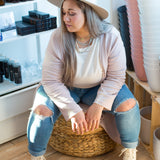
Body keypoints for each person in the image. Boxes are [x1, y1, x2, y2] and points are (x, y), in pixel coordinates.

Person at [27, 0, 141, 160]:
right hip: (64, 87)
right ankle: (36, 156)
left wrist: (99, 104)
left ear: (88, 13)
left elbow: (116, 77)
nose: (66, 18)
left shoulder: (110, 35)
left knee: (129, 105)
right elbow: (51, 81)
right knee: (41, 111)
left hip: (98, 87)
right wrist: (72, 109)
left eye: (71, 13)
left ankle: (129, 153)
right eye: (64, 13)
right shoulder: (58, 37)